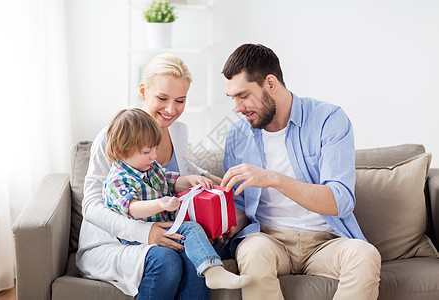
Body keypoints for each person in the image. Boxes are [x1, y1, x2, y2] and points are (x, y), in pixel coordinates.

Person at [219, 44, 381, 300]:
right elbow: (238, 204)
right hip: (268, 239)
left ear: (270, 83)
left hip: (326, 241)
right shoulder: (238, 134)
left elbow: (341, 201)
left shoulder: (329, 119)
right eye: (233, 99)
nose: (237, 108)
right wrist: (225, 224)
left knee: (364, 254)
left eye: (243, 96)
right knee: (252, 251)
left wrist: (273, 179)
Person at [76, 53, 224, 299]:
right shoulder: (116, 135)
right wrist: (146, 233)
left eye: (180, 100)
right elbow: (91, 206)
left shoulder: (177, 131)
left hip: (164, 232)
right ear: (143, 91)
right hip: (114, 241)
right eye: (162, 98)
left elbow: (184, 170)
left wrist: (222, 189)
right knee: (167, 259)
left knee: (194, 261)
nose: (171, 109)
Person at [102, 108, 250, 290]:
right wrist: (159, 204)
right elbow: (133, 207)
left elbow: (171, 180)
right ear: (121, 151)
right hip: (138, 236)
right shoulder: (118, 179)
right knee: (191, 227)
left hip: (166, 227)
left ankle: (210, 268)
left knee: (198, 235)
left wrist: (189, 180)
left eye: (155, 149)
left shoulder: (150, 167)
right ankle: (212, 269)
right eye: (147, 151)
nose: (154, 156)